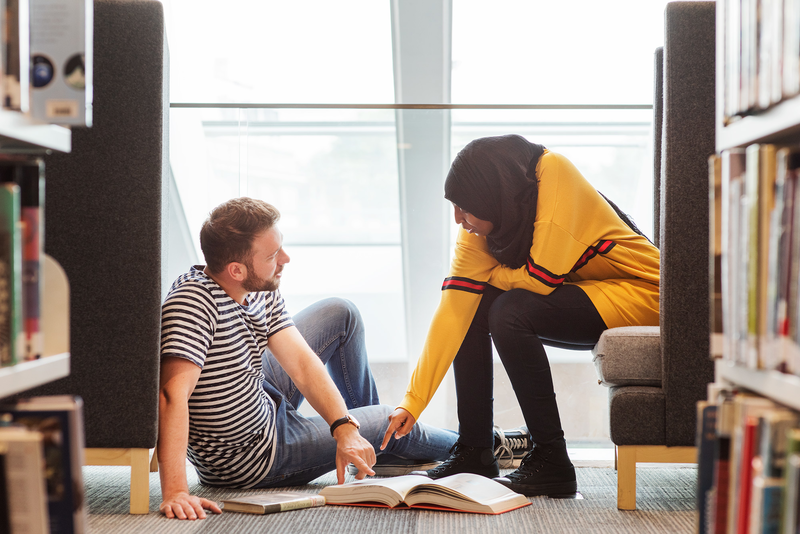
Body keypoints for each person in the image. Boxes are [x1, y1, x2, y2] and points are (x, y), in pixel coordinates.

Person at [381, 134, 660, 497]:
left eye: (463, 207)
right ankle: (474, 451)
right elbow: (452, 312)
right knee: (476, 305)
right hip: (593, 293)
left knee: (509, 310)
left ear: (489, 195)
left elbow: (541, 280)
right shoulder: (483, 225)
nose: (457, 219)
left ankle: (552, 460)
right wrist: (412, 402)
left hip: (645, 292)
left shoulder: (553, 172)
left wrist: (489, 276)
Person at [158, 197, 461, 520]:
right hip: (253, 454)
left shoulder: (258, 285)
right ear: (236, 270)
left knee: (340, 313)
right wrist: (176, 491)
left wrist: (345, 428)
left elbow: (301, 364)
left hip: (261, 396)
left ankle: (369, 448)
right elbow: (171, 395)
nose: (285, 259)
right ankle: (481, 444)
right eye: (274, 255)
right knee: (390, 418)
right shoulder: (192, 304)